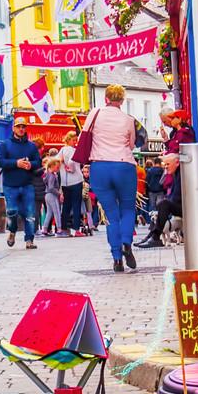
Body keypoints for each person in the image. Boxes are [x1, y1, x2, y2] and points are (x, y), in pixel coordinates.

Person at [82, 87, 142, 271]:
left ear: (106, 98)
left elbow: (84, 136)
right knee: (128, 208)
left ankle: (117, 258)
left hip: (100, 166)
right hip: (124, 165)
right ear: (122, 101)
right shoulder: (129, 120)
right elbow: (131, 145)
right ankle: (126, 242)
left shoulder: (95, 114)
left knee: (110, 214)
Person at [0, 119, 43, 250]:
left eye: (23, 126)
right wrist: (16, 163)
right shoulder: (5, 145)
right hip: (10, 185)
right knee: (12, 212)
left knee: (30, 213)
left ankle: (29, 240)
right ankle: (12, 231)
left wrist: (30, 165)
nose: (21, 129)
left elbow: (38, 162)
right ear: (13, 128)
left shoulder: (31, 146)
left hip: (27, 184)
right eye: (18, 126)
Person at [136, 153, 182, 248]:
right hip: (180, 205)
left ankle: (154, 237)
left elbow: (176, 197)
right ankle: (152, 236)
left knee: (163, 204)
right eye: (165, 164)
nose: (165, 167)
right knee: (161, 206)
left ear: (177, 163)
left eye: (168, 164)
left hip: (186, 207)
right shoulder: (176, 174)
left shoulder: (181, 174)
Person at [55, 134, 88, 236]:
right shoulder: (74, 150)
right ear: (69, 140)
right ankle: (76, 229)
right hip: (76, 181)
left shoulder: (62, 150)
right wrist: (72, 169)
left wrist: (62, 165)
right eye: (74, 140)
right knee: (76, 205)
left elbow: (56, 161)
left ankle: (64, 228)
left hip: (65, 183)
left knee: (66, 206)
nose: (75, 142)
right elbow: (71, 162)